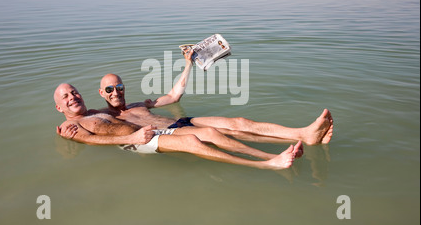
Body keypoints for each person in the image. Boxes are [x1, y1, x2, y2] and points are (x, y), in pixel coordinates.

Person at [92, 49, 333, 146]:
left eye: (119, 86)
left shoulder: (140, 105)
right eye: (110, 89)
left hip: (184, 122)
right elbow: (81, 120)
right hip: (171, 133)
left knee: (237, 122)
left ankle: (302, 133)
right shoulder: (100, 116)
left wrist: (188, 65)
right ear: (102, 93)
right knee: (232, 133)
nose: (116, 92)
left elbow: (174, 96)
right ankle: (302, 138)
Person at [54, 83, 302, 170]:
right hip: (135, 141)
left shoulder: (96, 111)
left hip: (151, 133)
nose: (72, 97)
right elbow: (93, 141)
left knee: (214, 131)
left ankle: (278, 150)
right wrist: (135, 138)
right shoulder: (71, 128)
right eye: (65, 97)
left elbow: (170, 97)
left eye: (74, 92)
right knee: (192, 142)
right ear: (59, 108)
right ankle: (267, 164)